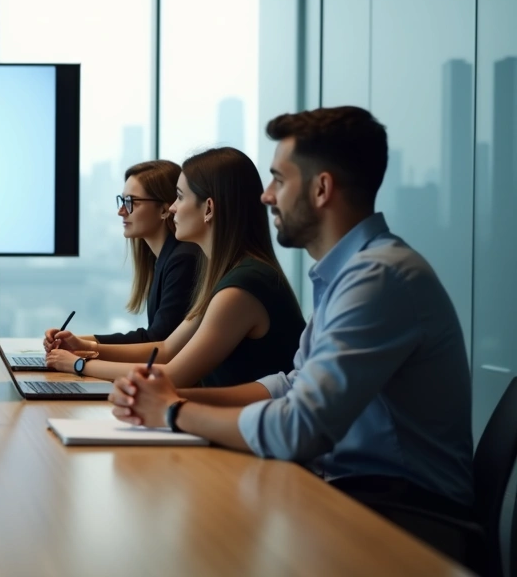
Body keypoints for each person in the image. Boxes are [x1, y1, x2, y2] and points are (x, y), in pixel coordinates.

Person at [109, 106, 475, 559]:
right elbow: (290, 385)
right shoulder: (348, 274)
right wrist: (172, 395)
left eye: (279, 180)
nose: (266, 196)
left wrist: (173, 412)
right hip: (355, 492)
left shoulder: (378, 278)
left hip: (404, 516)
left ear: (321, 189)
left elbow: (300, 427)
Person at [46, 147, 304, 389]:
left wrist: (81, 363)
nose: (172, 207)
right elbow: (167, 349)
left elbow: (172, 375)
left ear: (209, 209)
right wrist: (83, 346)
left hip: (243, 431)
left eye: (179, 197)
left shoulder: (241, 287)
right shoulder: (225, 274)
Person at [42, 160, 200, 347]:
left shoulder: (182, 260)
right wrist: (75, 340)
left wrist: (84, 348)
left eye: (131, 202)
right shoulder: (164, 258)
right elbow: (152, 337)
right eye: (122, 200)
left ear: (165, 210)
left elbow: (157, 340)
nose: (121, 211)